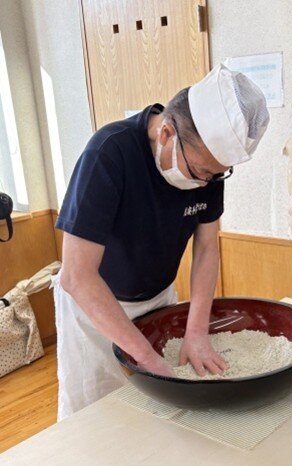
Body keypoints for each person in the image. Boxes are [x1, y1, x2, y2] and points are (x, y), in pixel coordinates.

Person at [53, 64, 270, 421]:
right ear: (167, 133)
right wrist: (147, 358)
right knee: (94, 419)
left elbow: (207, 249)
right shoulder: (109, 153)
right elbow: (77, 276)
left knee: (159, 418)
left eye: (217, 176)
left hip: (157, 301)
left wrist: (196, 331)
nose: (205, 184)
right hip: (93, 313)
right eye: (200, 172)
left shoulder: (208, 172)